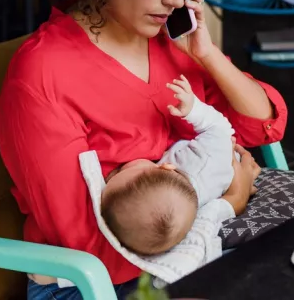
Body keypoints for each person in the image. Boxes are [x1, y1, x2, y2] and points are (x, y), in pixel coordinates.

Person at [0, 0, 288, 300]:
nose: (176, 0)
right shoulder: (42, 74)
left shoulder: (168, 44)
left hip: (183, 248)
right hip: (92, 281)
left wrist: (206, 55)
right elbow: (87, 241)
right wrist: (227, 200)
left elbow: (260, 126)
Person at [101, 75, 242, 256]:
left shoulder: (178, 204)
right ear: (166, 167)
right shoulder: (203, 158)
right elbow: (221, 129)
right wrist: (194, 109)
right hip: (226, 153)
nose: (120, 168)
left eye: (120, 170)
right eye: (124, 170)